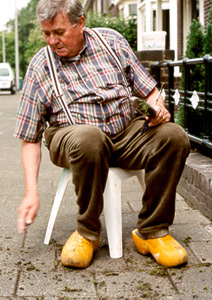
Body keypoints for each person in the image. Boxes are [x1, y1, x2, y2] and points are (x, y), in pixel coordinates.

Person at [14, 0, 190, 269]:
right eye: (46, 33)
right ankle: (87, 232)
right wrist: (31, 192)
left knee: (174, 136)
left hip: (125, 131)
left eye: (59, 32)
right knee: (89, 138)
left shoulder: (112, 41)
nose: (52, 41)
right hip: (71, 136)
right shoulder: (39, 67)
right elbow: (29, 138)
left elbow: (148, 89)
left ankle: (152, 231)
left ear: (80, 23)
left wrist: (157, 105)